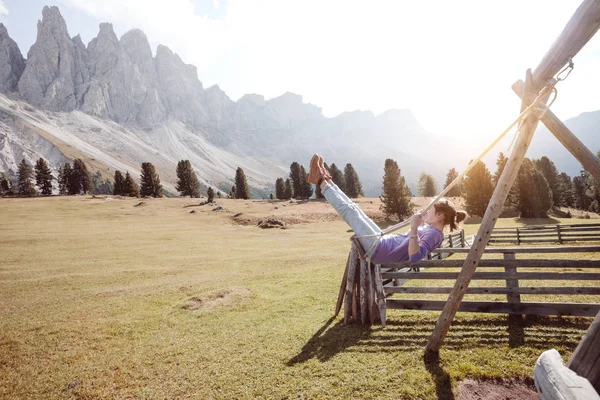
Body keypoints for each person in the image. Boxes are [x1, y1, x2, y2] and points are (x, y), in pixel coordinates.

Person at [306, 154, 467, 264]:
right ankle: (324, 179)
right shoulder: (432, 230)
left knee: (351, 212)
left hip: (378, 249)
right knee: (354, 208)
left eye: (430, 209)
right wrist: (420, 223)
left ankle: (320, 181)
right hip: (381, 241)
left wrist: (414, 228)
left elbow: (415, 257)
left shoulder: (434, 234)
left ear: (440, 216)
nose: (427, 211)